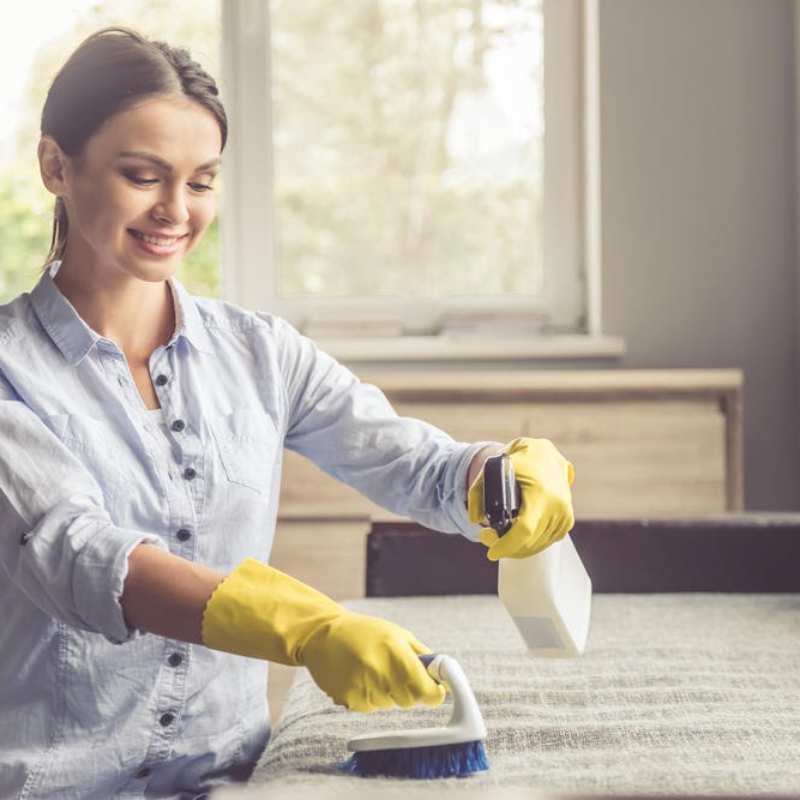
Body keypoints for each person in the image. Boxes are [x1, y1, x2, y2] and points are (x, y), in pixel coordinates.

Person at [0, 26, 575, 800]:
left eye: (201, 182)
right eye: (143, 176)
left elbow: (408, 461)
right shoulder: (10, 372)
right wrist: (306, 627)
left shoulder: (260, 354)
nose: (177, 209)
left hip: (231, 783)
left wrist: (493, 477)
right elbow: (78, 555)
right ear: (55, 165)